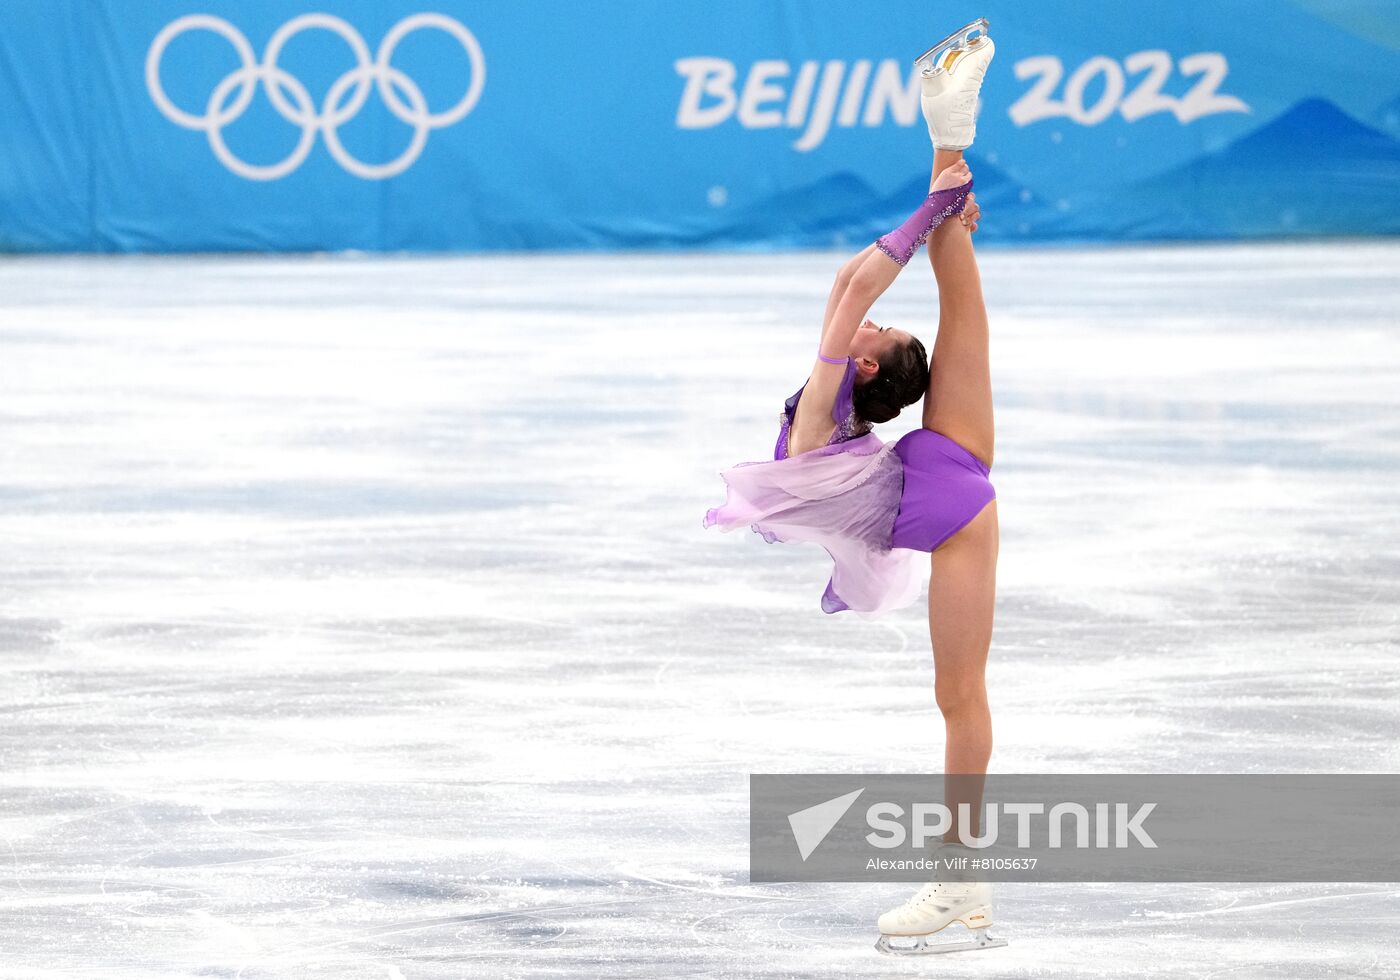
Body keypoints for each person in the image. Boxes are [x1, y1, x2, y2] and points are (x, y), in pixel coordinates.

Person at [704, 23, 1005, 955]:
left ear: (867, 369)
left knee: (958, 696)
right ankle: (949, 115)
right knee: (963, 293)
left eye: (882, 330)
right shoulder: (829, 406)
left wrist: (931, 213)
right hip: (933, 482)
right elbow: (849, 284)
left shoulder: (826, 405)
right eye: (877, 326)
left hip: (949, 517)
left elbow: (850, 289)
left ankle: (961, 885)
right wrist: (934, 207)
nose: (871, 320)